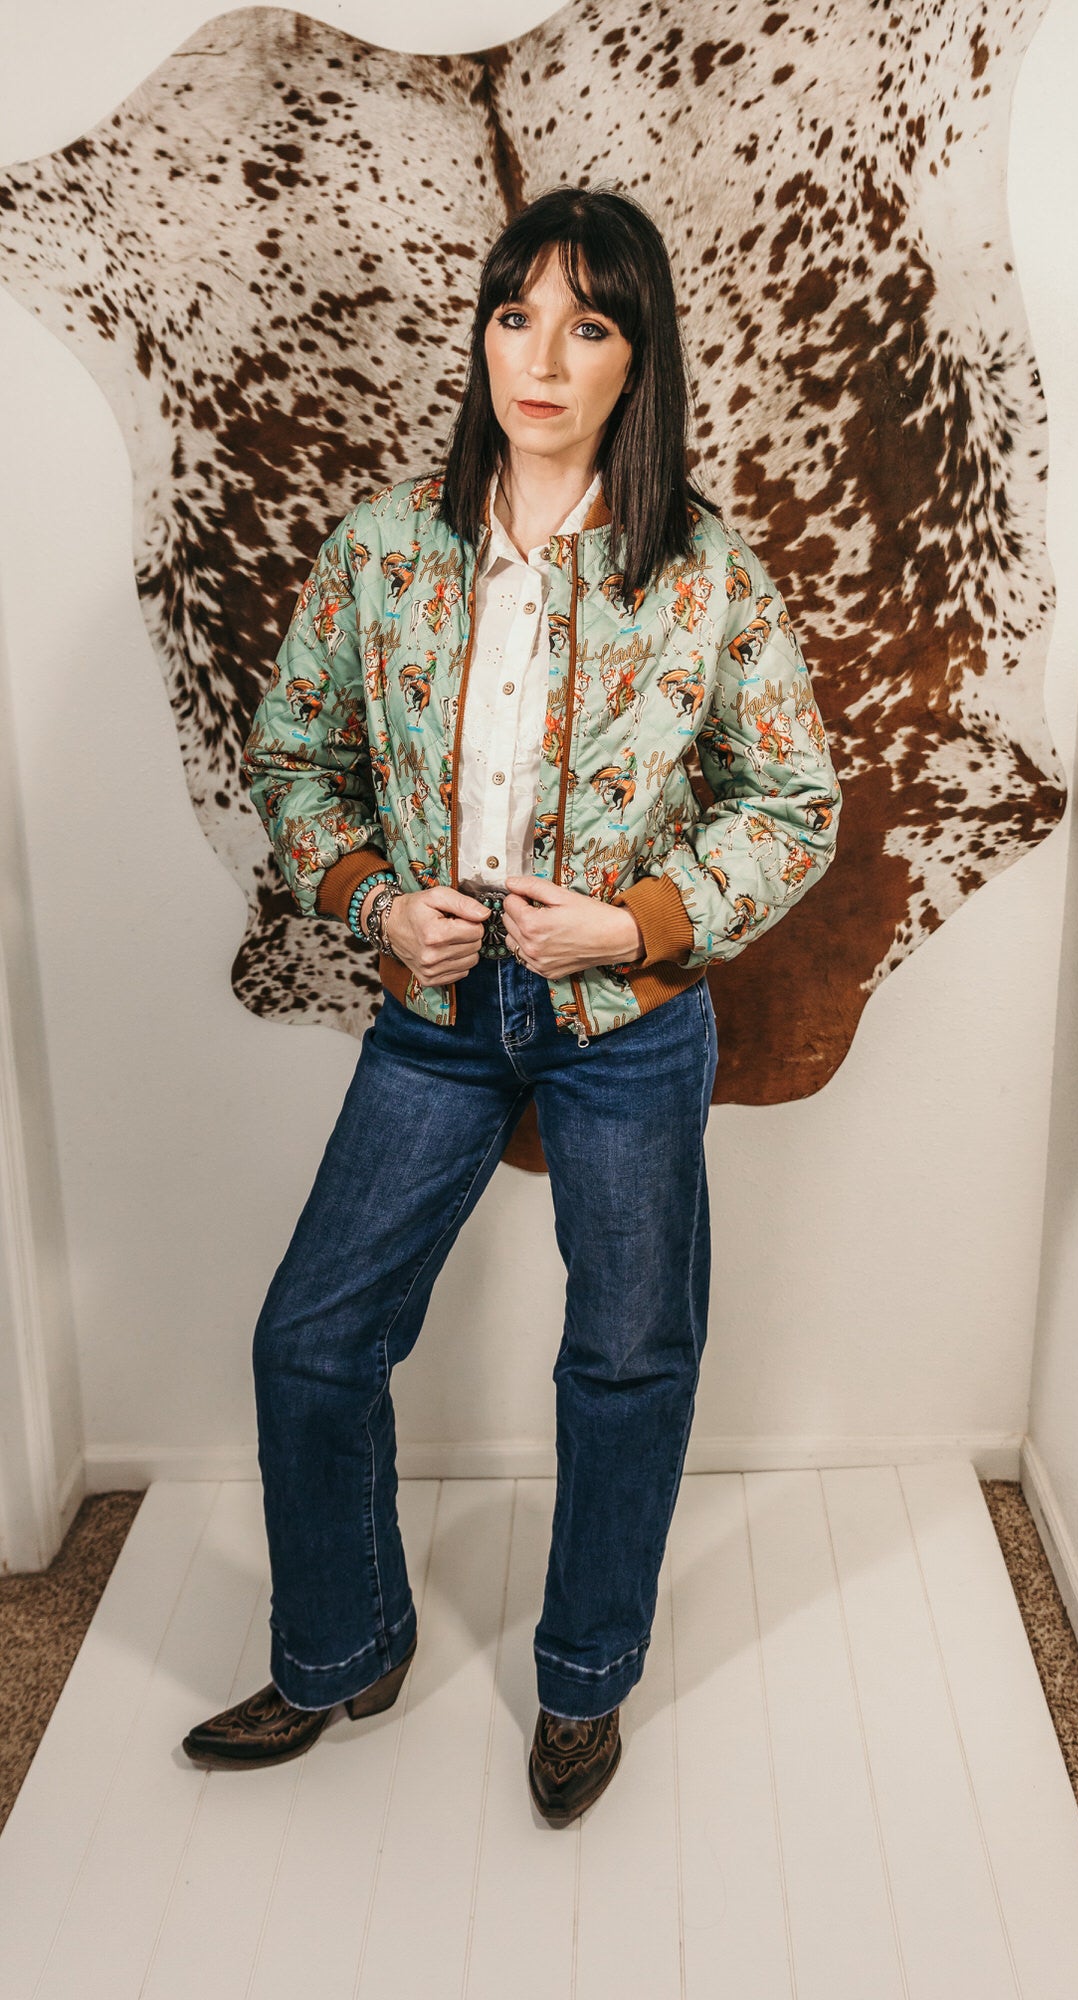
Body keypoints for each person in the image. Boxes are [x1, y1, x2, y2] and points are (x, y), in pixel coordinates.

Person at [181, 183, 842, 1823]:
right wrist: (372, 900)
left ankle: (584, 1681)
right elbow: (295, 759)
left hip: (628, 1028)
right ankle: (344, 1649)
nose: (541, 358)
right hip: (438, 1013)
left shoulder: (704, 573)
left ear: (637, 359)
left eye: (588, 324)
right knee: (313, 1340)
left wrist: (633, 924)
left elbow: (792, 804)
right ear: (481, 334)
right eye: (515, 314)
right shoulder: (383, 546)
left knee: (627, 1358)